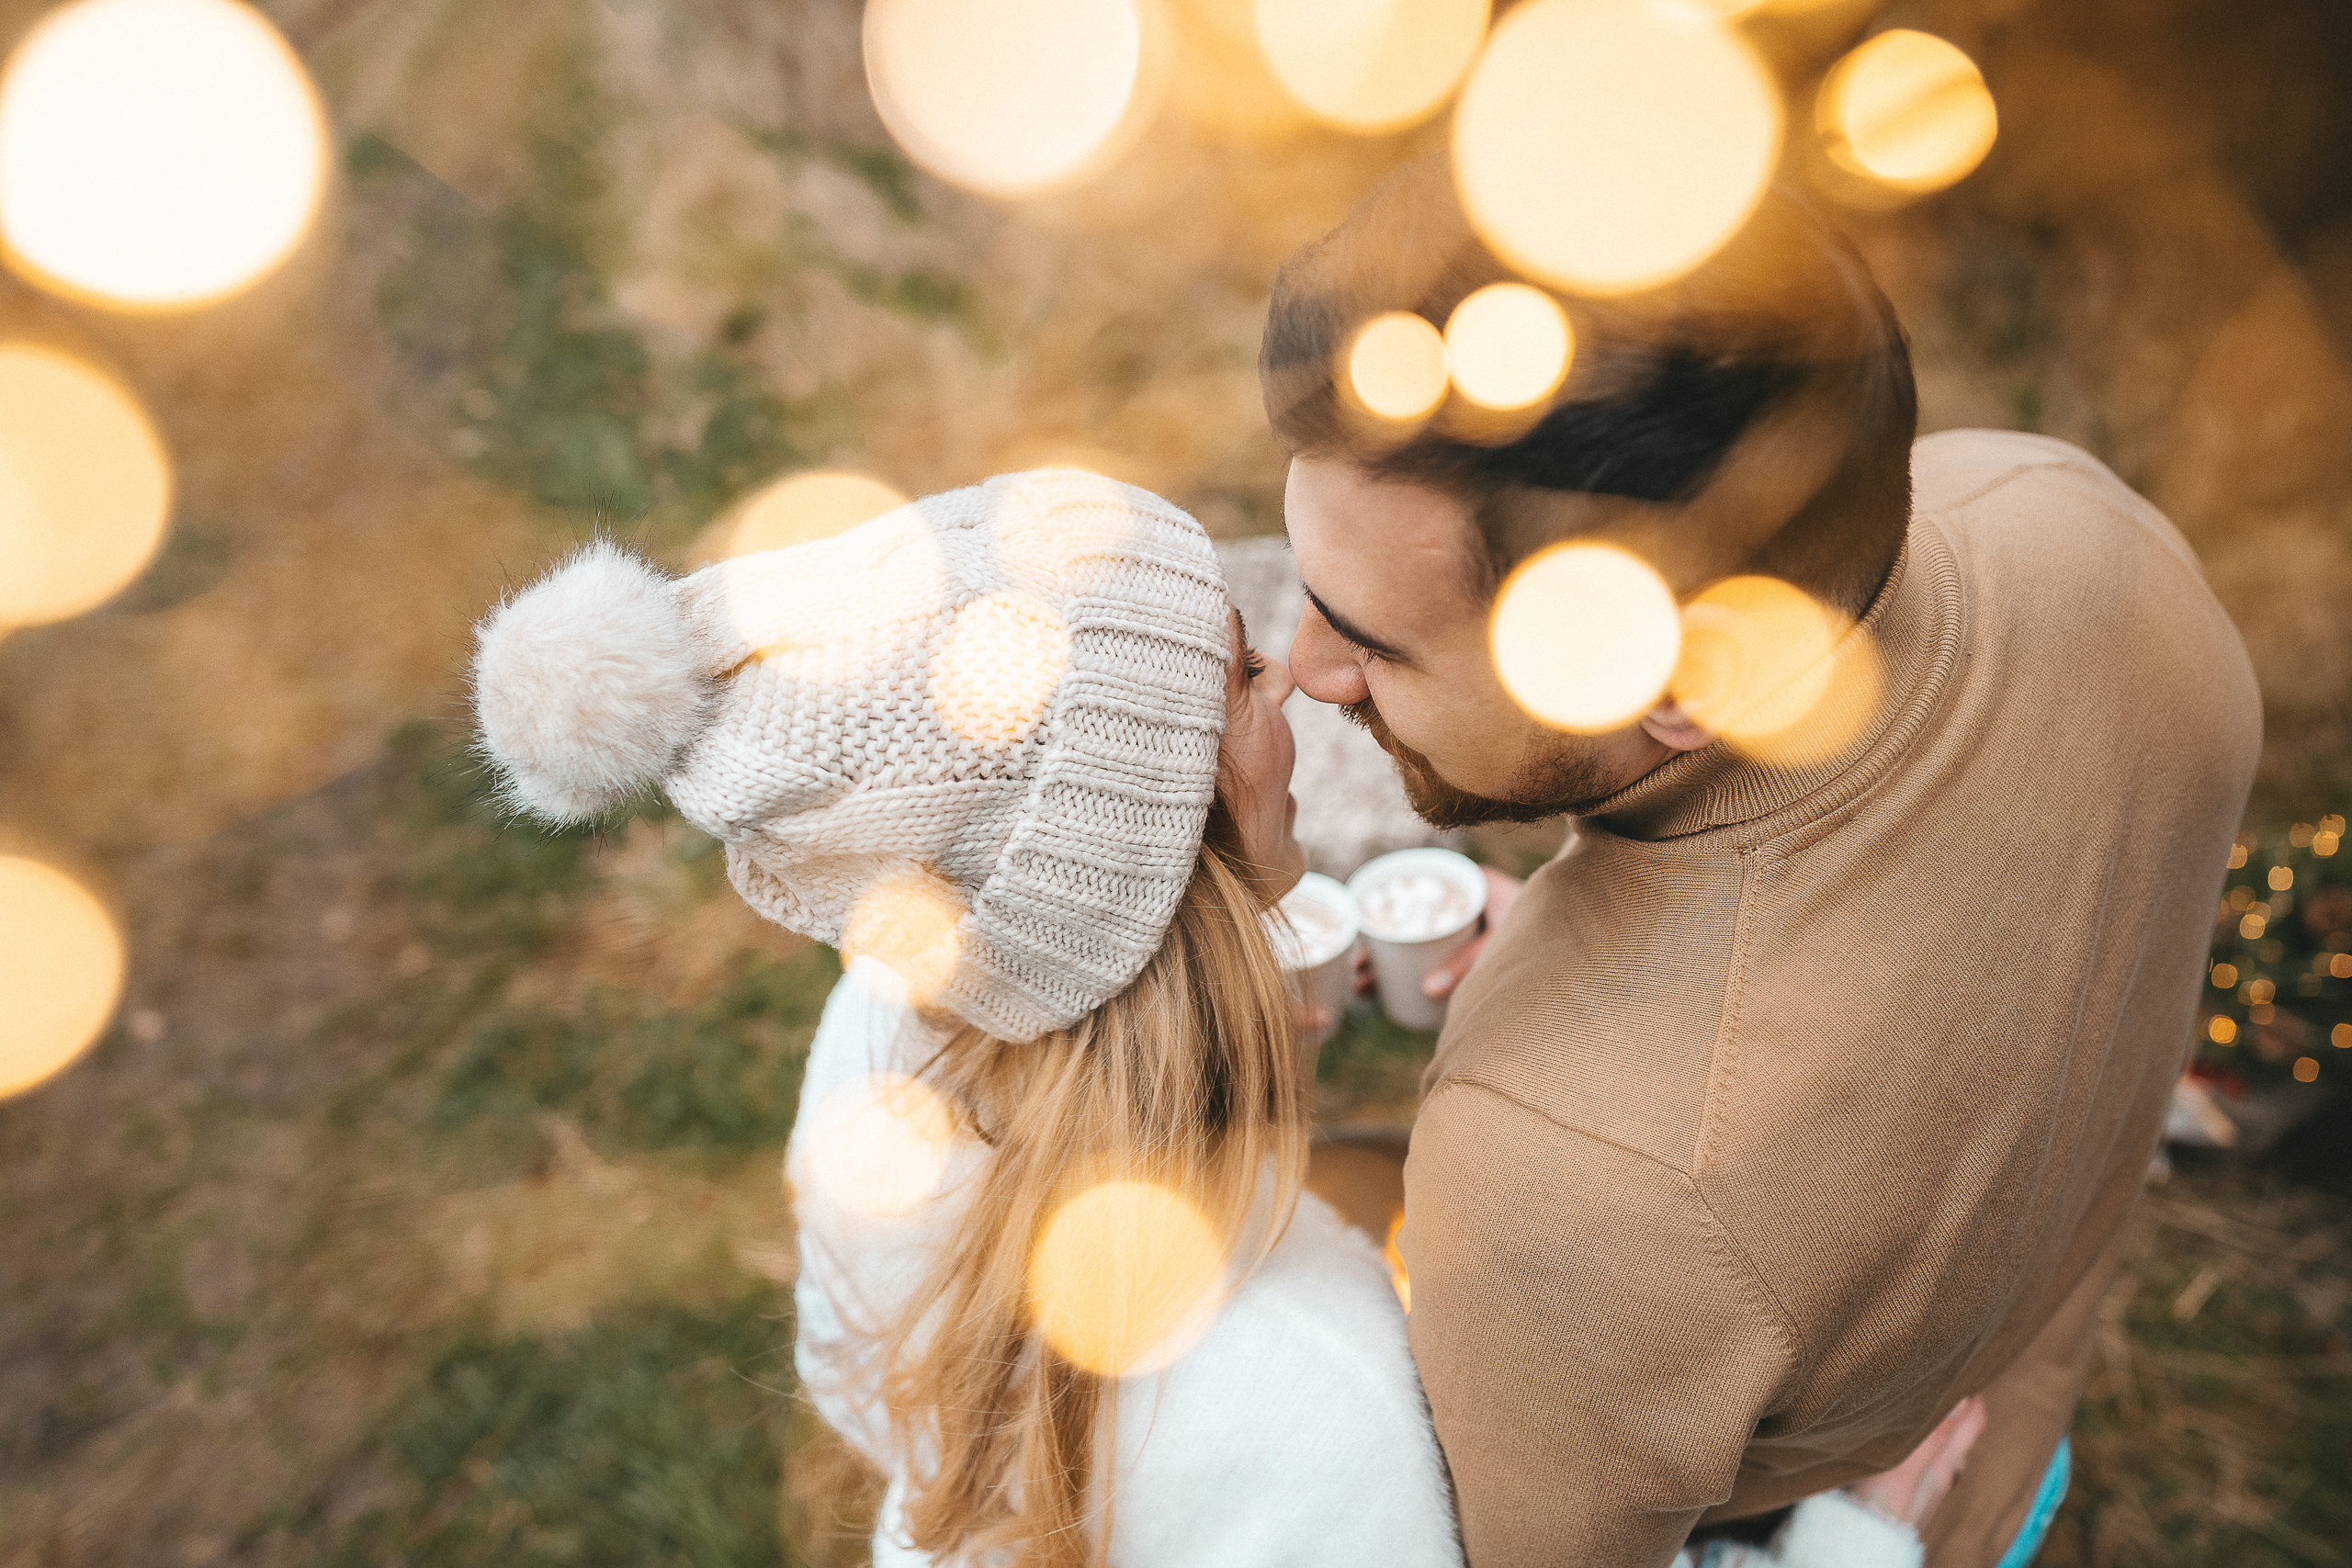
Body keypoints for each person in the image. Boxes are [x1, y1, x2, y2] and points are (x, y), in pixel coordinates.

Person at [470, 470, 1974, 1567]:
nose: (1293, 697)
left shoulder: (887, 1036)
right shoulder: (1303, 1404)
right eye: (1244, 673)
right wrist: (1849, 1553)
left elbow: (856, 1371)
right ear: (1181, 838)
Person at [1260, 158, 2259, 1568]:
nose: (1307, 672)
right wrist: (1576, 927)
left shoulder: (1560, 1177)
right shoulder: (2080, 520)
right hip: (2012, 1366)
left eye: (1369, 637)